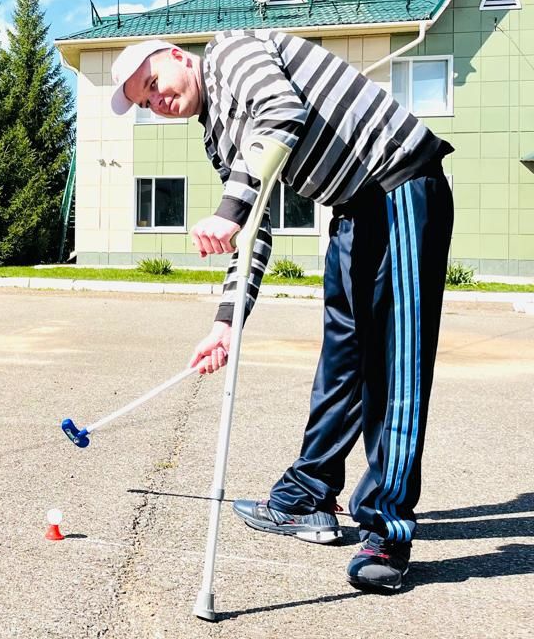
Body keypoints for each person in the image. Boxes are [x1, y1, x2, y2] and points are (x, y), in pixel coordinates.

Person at [110, 29, 453, 593]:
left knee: (396, 367)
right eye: (147, 103)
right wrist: (224, 324)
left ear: (175, 56)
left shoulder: (231, 53)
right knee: (342, 363)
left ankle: (388, 531)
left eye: (154, 85)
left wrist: (228, 210)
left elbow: (281, 111)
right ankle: (308, 495)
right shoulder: (219, 139)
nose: (158, 101)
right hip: (352, 209)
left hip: (400, 184)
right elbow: (253, 232)